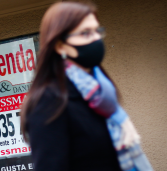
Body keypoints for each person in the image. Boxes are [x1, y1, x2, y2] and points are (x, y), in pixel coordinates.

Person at [20, 2, 153, 171]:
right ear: (60, 45)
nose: (96, 39)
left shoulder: (102, 91)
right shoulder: (49, 100)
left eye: (97, 31)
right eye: (85, 33)